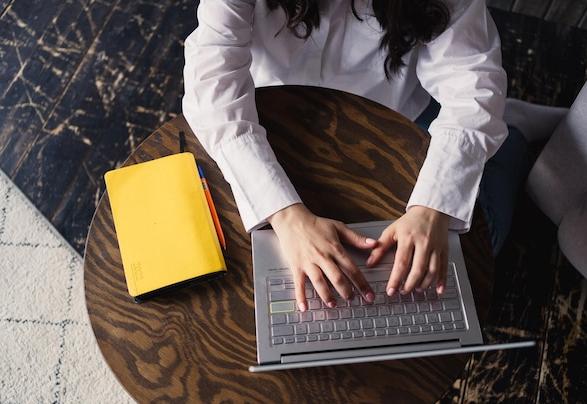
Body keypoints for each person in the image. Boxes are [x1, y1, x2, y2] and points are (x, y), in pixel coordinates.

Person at [182, 0, 565, 312]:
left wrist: (430, 210)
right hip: (281, 111)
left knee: (473, 248)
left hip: (398, 111)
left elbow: (473, 87)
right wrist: (287, 215)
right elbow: (211, 88)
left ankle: (514, 129)